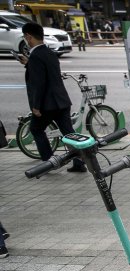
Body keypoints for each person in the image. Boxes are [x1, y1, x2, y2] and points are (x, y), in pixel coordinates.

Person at [18, 22, 85, 172]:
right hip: (61, 100)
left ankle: (49, 163)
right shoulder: (49, 52)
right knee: (69, 133)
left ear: (29, 36)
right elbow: (46, 72)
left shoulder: (35, 56)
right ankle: (79, 163)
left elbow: (39, 83)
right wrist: (29, 64)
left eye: (25, 37)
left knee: (36, 129)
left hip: (47, 104)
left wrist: (36, 106)